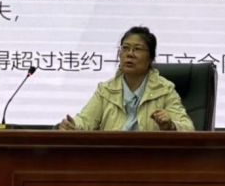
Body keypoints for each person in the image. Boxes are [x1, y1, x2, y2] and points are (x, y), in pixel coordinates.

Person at [58, 27, 194, 132]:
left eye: (137, 49)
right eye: (125, 48)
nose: (130, 54)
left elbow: (188, 127)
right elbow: (85, 121)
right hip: (112, 155)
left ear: (151, 57)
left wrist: (171, 126)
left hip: (151, 157)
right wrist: (73, 125)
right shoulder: (106, 90)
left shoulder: (164, 90)